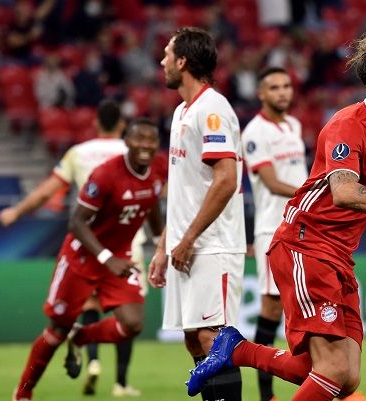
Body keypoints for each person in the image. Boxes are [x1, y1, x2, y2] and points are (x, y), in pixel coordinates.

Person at [187, 32, 366, 401]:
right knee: (333, 370)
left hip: (337, 256)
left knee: (344, 377)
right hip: (306, 245)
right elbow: (345, 191)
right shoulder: (346, 124)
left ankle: (235, 349)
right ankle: (234, 349)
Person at [0, 99, 147, 397]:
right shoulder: (136, 152)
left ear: (95, 123)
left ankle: (88, 355)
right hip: (122, 247)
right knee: (123, 320)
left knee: (96, 313)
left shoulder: (78, 153)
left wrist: (17, 211)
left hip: (94, 247)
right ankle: (120, 382)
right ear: (122, 126)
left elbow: (47, 191)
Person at [147, 27, 245, 401]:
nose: (163, 61)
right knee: (193, 338)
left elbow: (225, 180)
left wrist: (187, 239)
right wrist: (163, 245)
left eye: (168, 54)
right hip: (185, 246)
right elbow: (183, 189)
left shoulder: (213, 109)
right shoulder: (181, 112)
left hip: (212, 245)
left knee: (213, 338)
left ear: (183, 61)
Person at [241, 66, 308, 401]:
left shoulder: (293, 126)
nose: (283, 92)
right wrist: (312, 193)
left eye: (286, 86)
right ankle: (266, 394)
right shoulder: (254, 132)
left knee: (299, 303)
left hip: (303, 225)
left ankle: (322, 374)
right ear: (261, 94)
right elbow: (269, 181)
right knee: (270, 309)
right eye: (275, 88)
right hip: (273, 228)